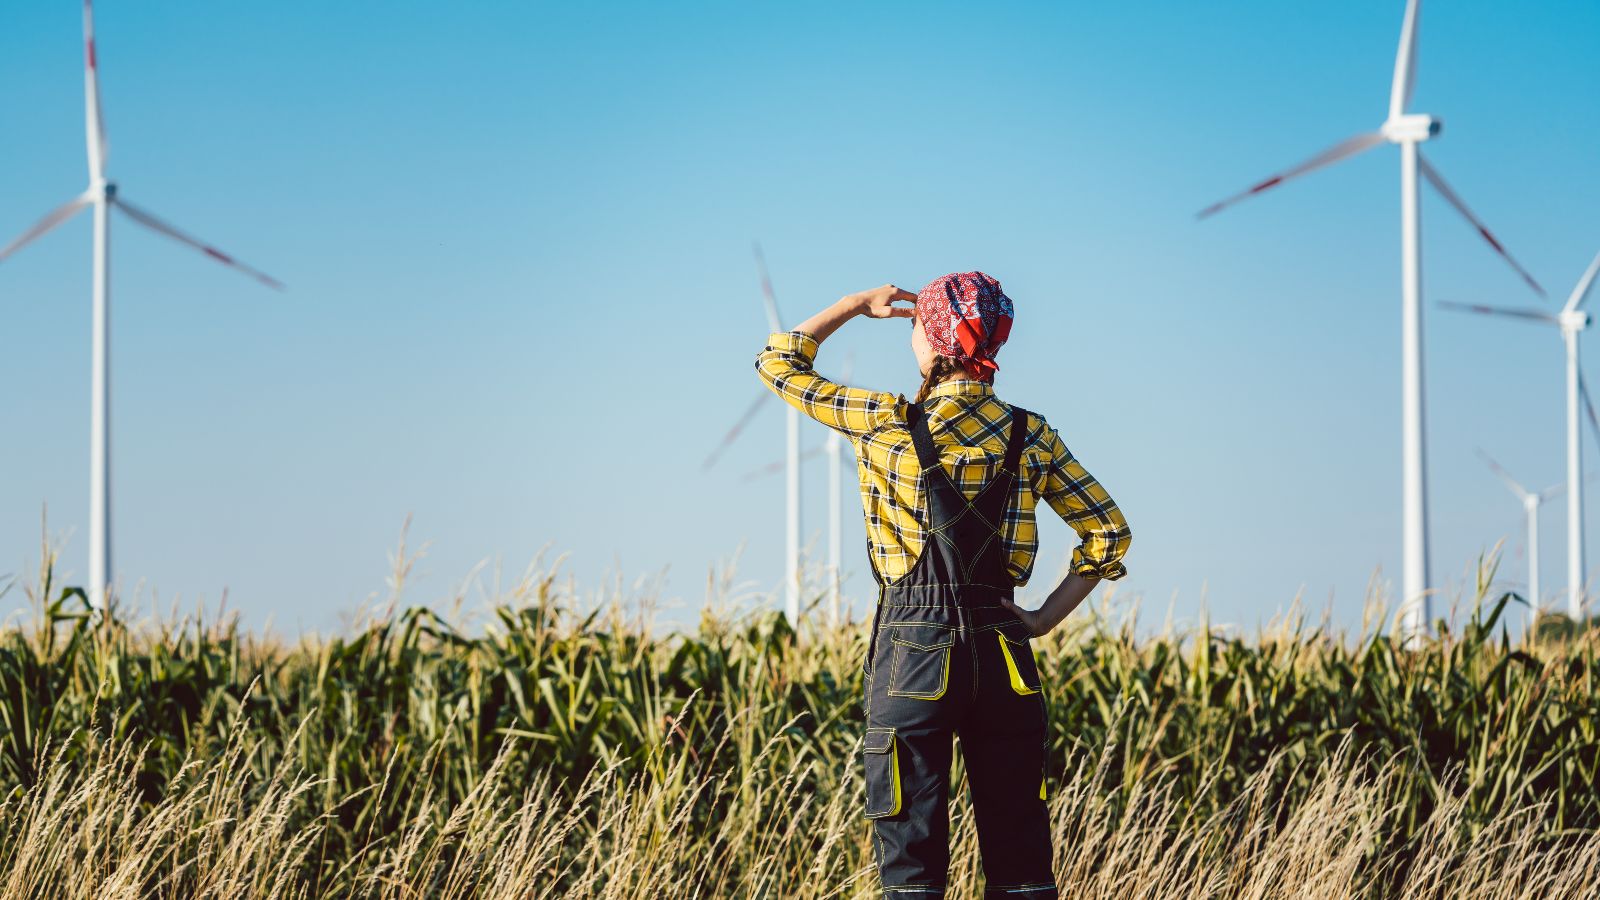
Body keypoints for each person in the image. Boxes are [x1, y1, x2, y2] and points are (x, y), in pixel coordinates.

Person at [753, 272, 1131, 899]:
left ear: (931, 340)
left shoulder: (882, 420)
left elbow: (778, 361)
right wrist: (1040, 620)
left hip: (912, 656)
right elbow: (1108, 534)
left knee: (912, 873)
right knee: (1023, 869)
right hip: (1004, 652)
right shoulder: (1029, 434)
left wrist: (852, 304)